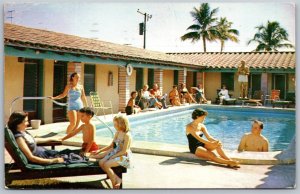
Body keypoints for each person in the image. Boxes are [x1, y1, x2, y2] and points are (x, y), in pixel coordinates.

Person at [7, 112, 87, 164]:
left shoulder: (22, 132)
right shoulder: (19, 138)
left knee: (71, 152)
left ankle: (93, 156)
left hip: (46, 153)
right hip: (44, 158)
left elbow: (34, 140)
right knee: (74, 157)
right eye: (26, 121)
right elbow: (31, 157)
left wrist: (50, 139)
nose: (28, 123)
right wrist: (53, 161)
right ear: (18, 124)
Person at [90, 114, 132, 189]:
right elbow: (111, 146)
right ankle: (118, 179)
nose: (114, 126)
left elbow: (124, 151)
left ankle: (114, 186)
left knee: (106, 165)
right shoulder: (117, 133)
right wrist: (99, 151)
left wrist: (113, 157)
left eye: (116, 124)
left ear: (121, 124)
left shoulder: (127, 135)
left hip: (124, 157)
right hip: (115, 154)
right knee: (101, 162)